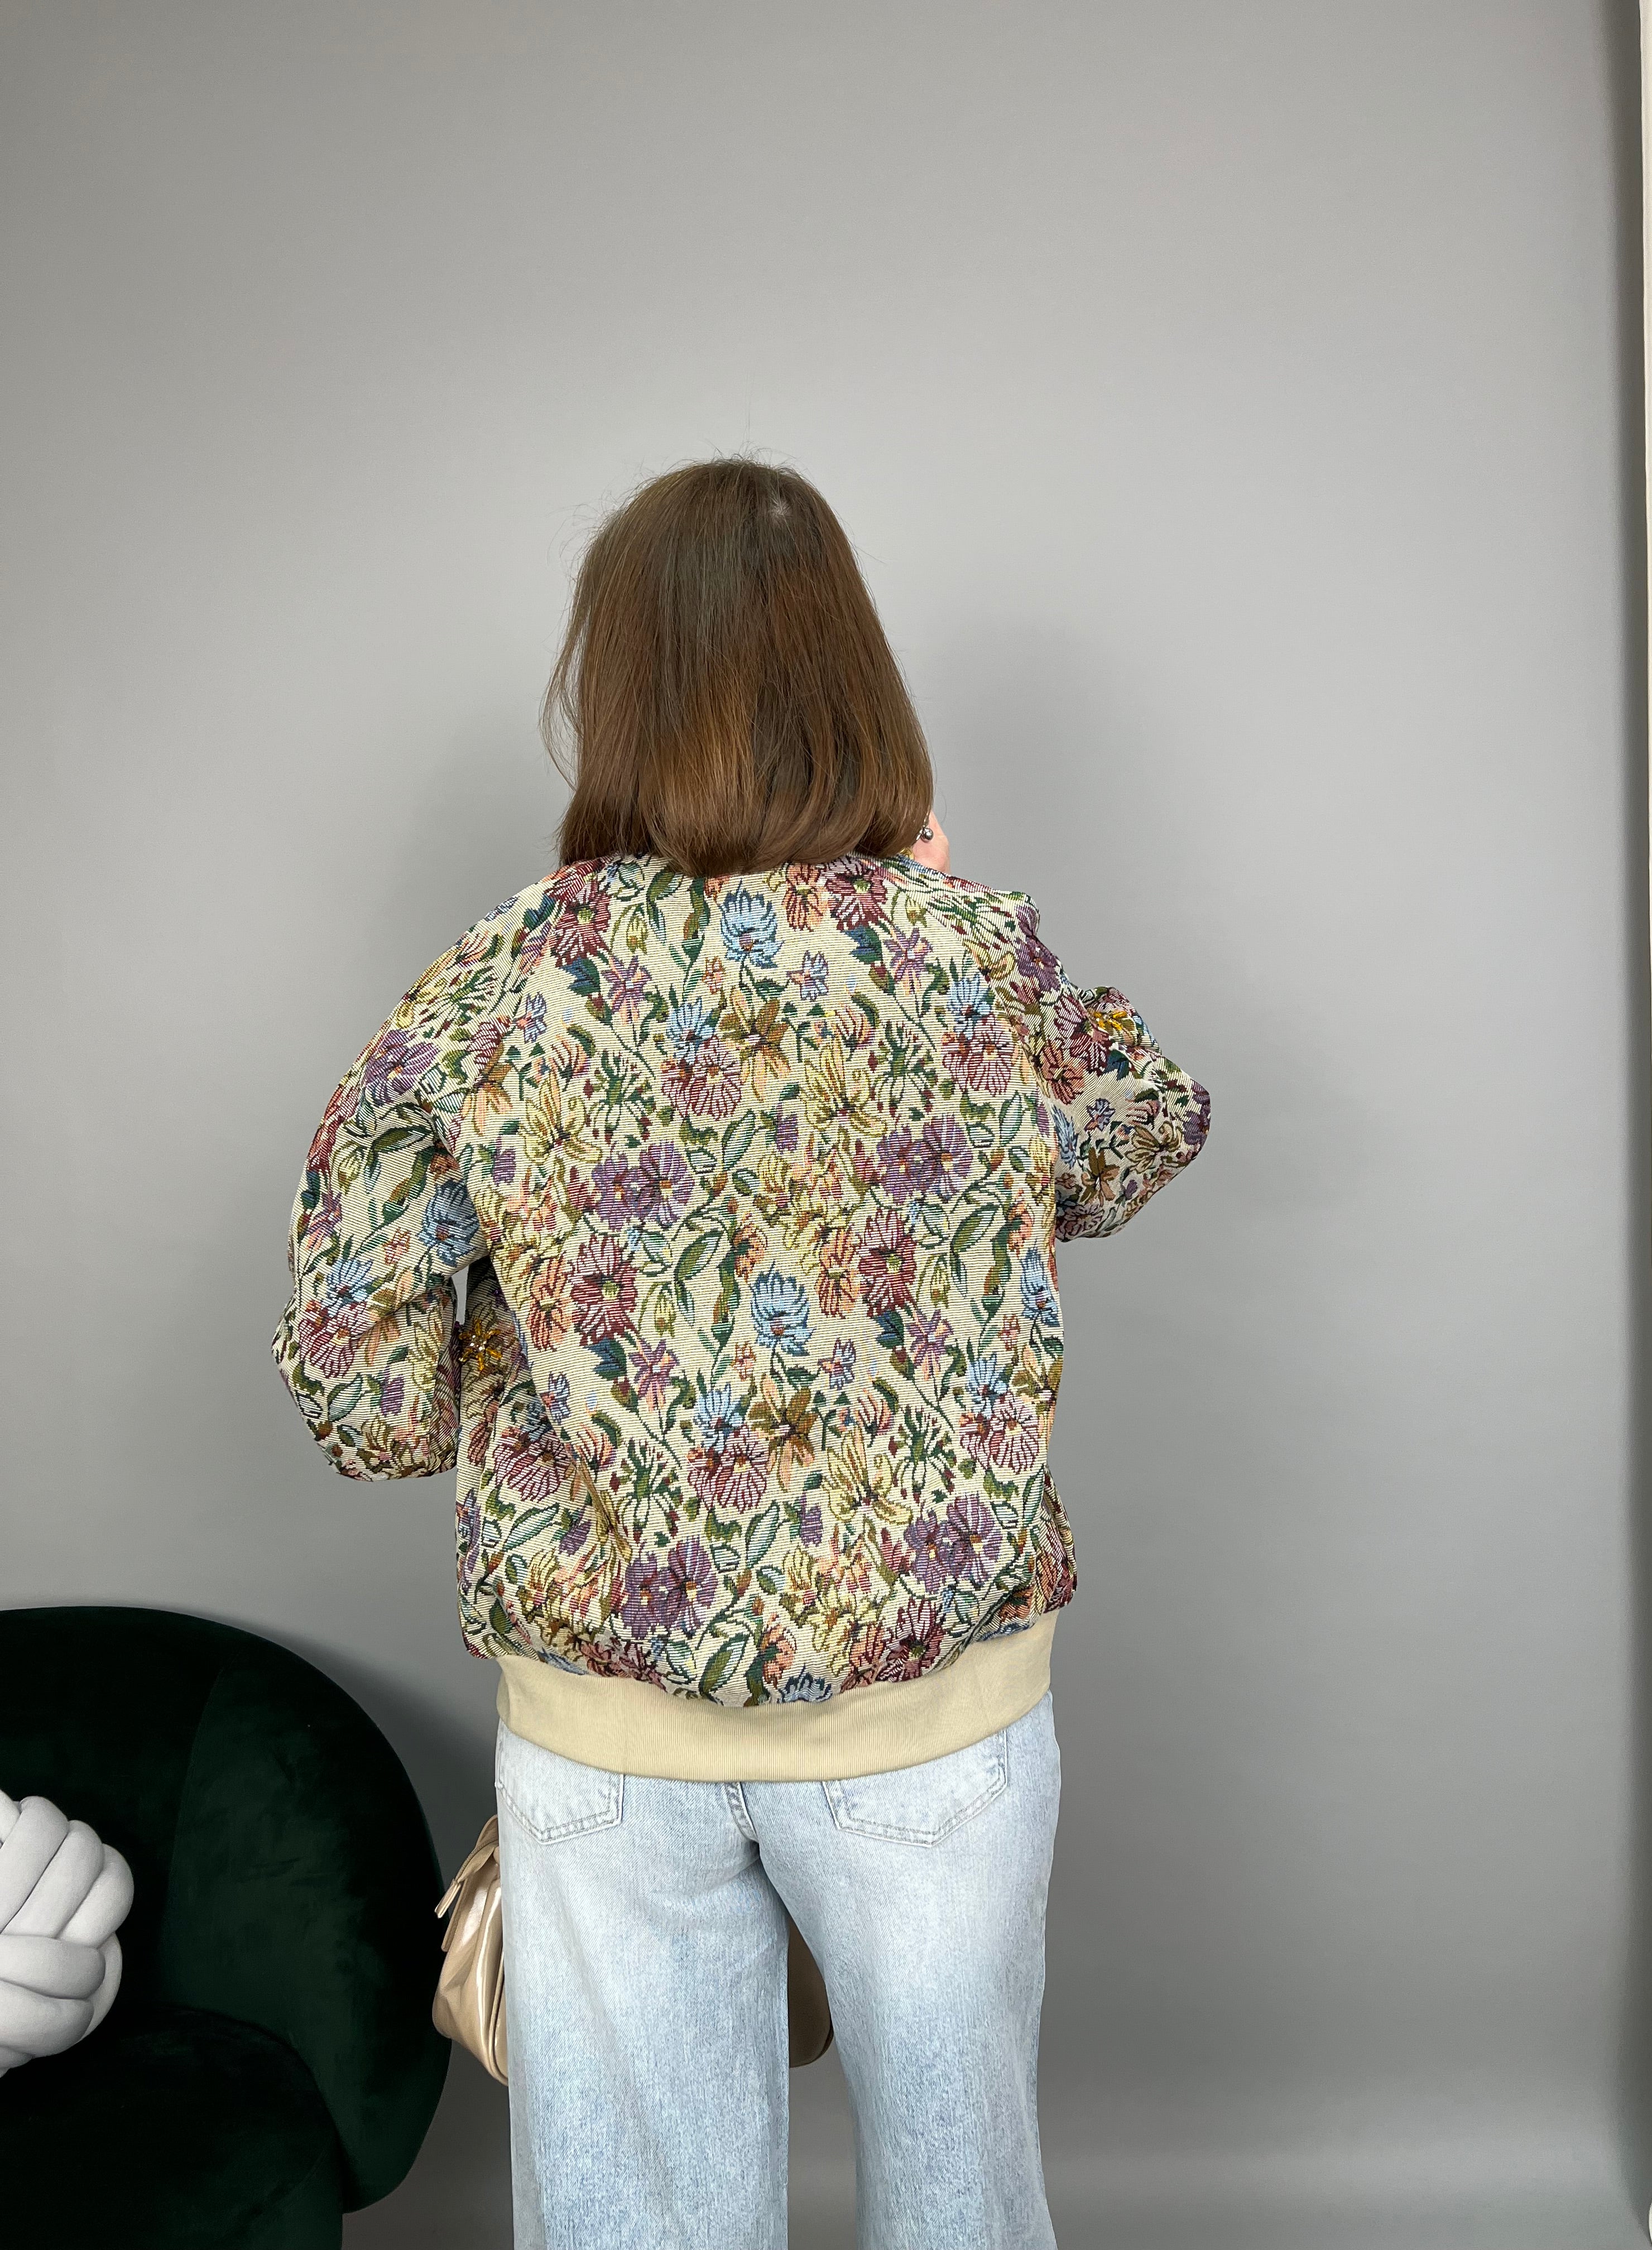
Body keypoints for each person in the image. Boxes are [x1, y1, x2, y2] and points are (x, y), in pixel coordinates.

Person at [273, 458, 1209, 2250]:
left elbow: (361, 1394)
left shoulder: (498, 987)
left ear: (614, 688)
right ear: (853, 677)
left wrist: (543, 1326)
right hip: (934, 1725)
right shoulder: (968, 958)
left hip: (609, 1741)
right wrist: (942, 909)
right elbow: (1133, 1133)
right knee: (964, 2215)